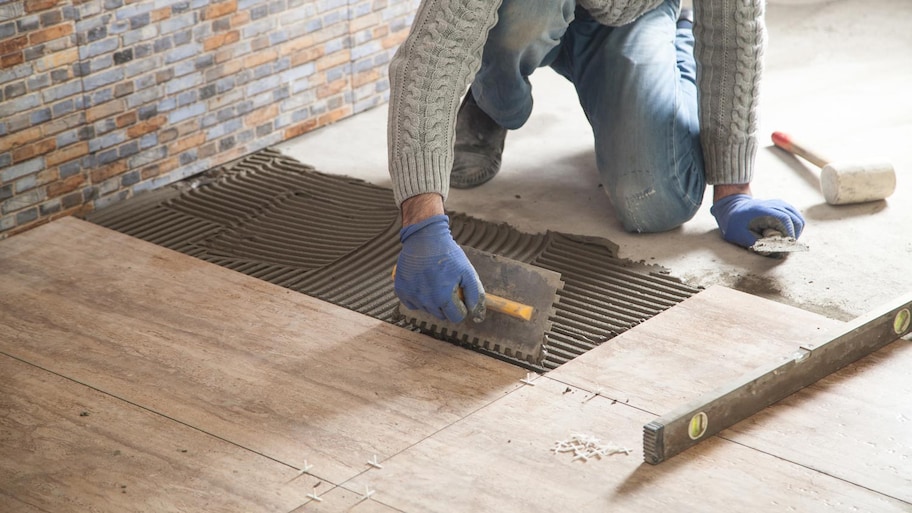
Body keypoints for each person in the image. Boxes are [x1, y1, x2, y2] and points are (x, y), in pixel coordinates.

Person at [387, 0, 805, 324]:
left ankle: (670, 54)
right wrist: (422, 223)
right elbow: (433, 52)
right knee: (524, 16)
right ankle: (493, 98)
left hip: (633, 15)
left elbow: (733, 29)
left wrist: (733, 188)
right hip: (525, 13)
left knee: (658, 202)